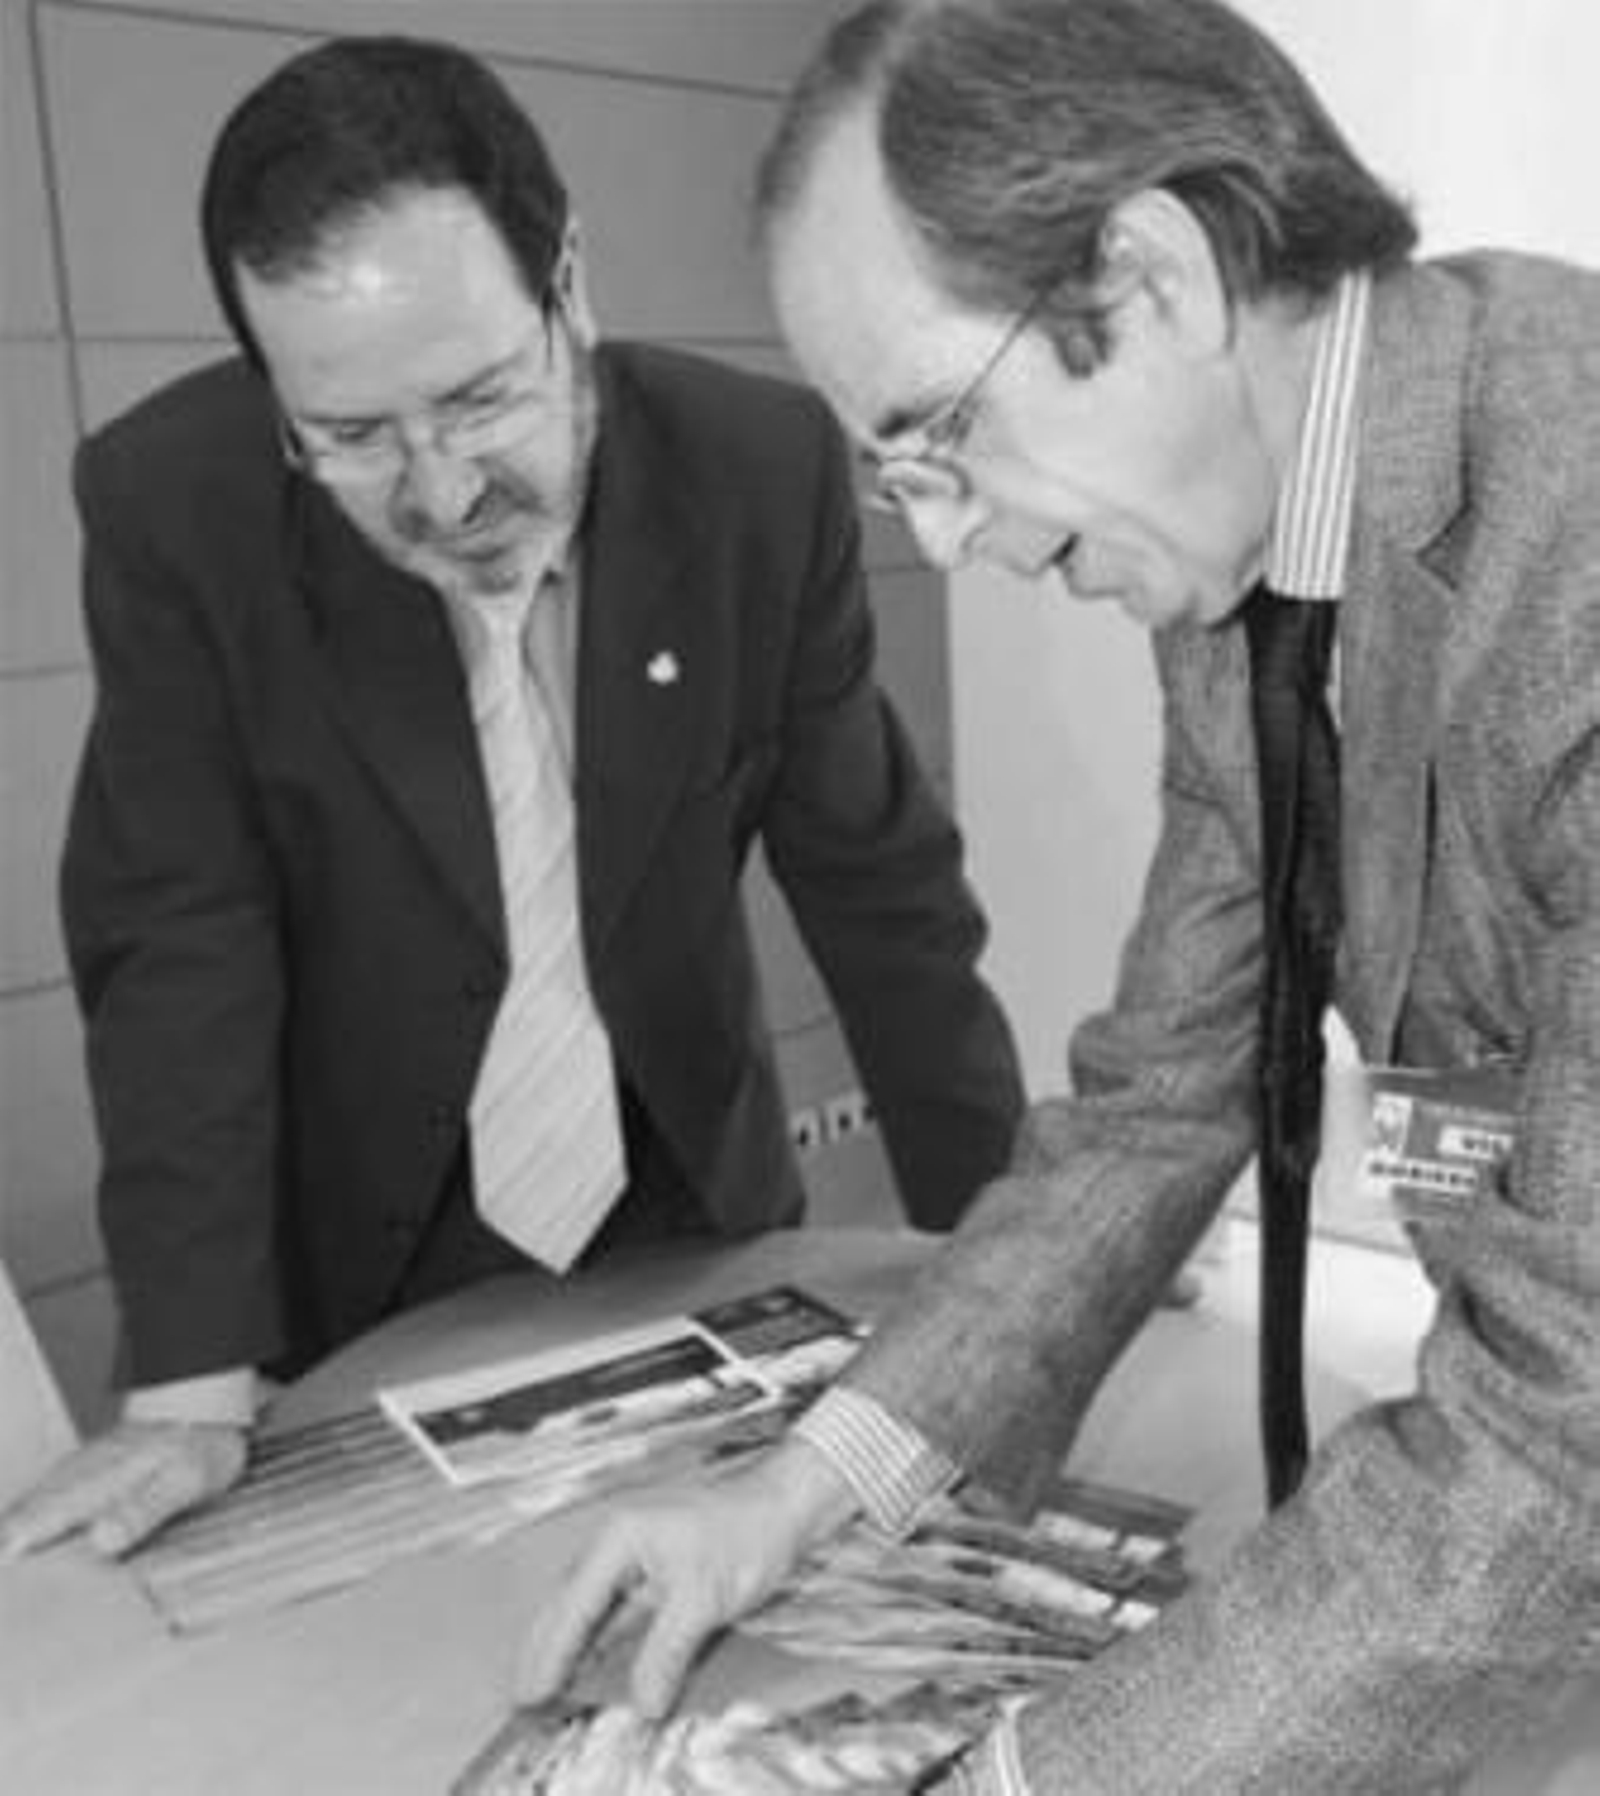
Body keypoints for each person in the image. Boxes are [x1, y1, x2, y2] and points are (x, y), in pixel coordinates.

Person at [519, 1, 1600, 1789]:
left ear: (1155, 276)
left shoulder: (1575, 536)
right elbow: (1155, 1099)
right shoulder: (1252, 562)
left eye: (939, 435)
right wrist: (808, 1488)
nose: (945, 544)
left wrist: (1031, 1779)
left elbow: (1567, 1437)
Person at [0, 34, 1024, 1562]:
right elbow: (176, 932)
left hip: (682, 1191)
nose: (442, 493)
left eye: (482, 399)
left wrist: (1014, 1253)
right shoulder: (180, 509)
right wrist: (191, 1382)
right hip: (349, 1238)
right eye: (349, 438)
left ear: (571, 286)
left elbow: (881, 890)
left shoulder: (753, 474)